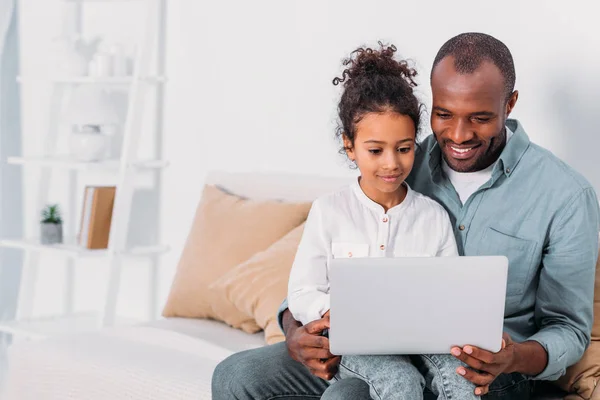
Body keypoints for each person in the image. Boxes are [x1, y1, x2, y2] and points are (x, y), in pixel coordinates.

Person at [212, 32, 600, 400]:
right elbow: (329, 266)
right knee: (236, 376)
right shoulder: (396, 162)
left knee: (352, 393)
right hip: (367, 345)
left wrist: (513, 357)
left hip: (481, 367)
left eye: (480, 118)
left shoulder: (565, 196)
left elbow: (568, 329)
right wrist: (297, 332)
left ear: (509, 104)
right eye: (445, 114)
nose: (460, 135)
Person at [286, 42, 486, 400]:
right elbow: (302, 291)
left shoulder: (432, 215)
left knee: (460, 377)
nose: (392, 163)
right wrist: (330, 310)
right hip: (355, 341)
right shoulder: (329, 211)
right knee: (399, 380)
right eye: (375, 150)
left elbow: (451, 292)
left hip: (423, 338)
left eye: (405, 148)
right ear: (350, 146)